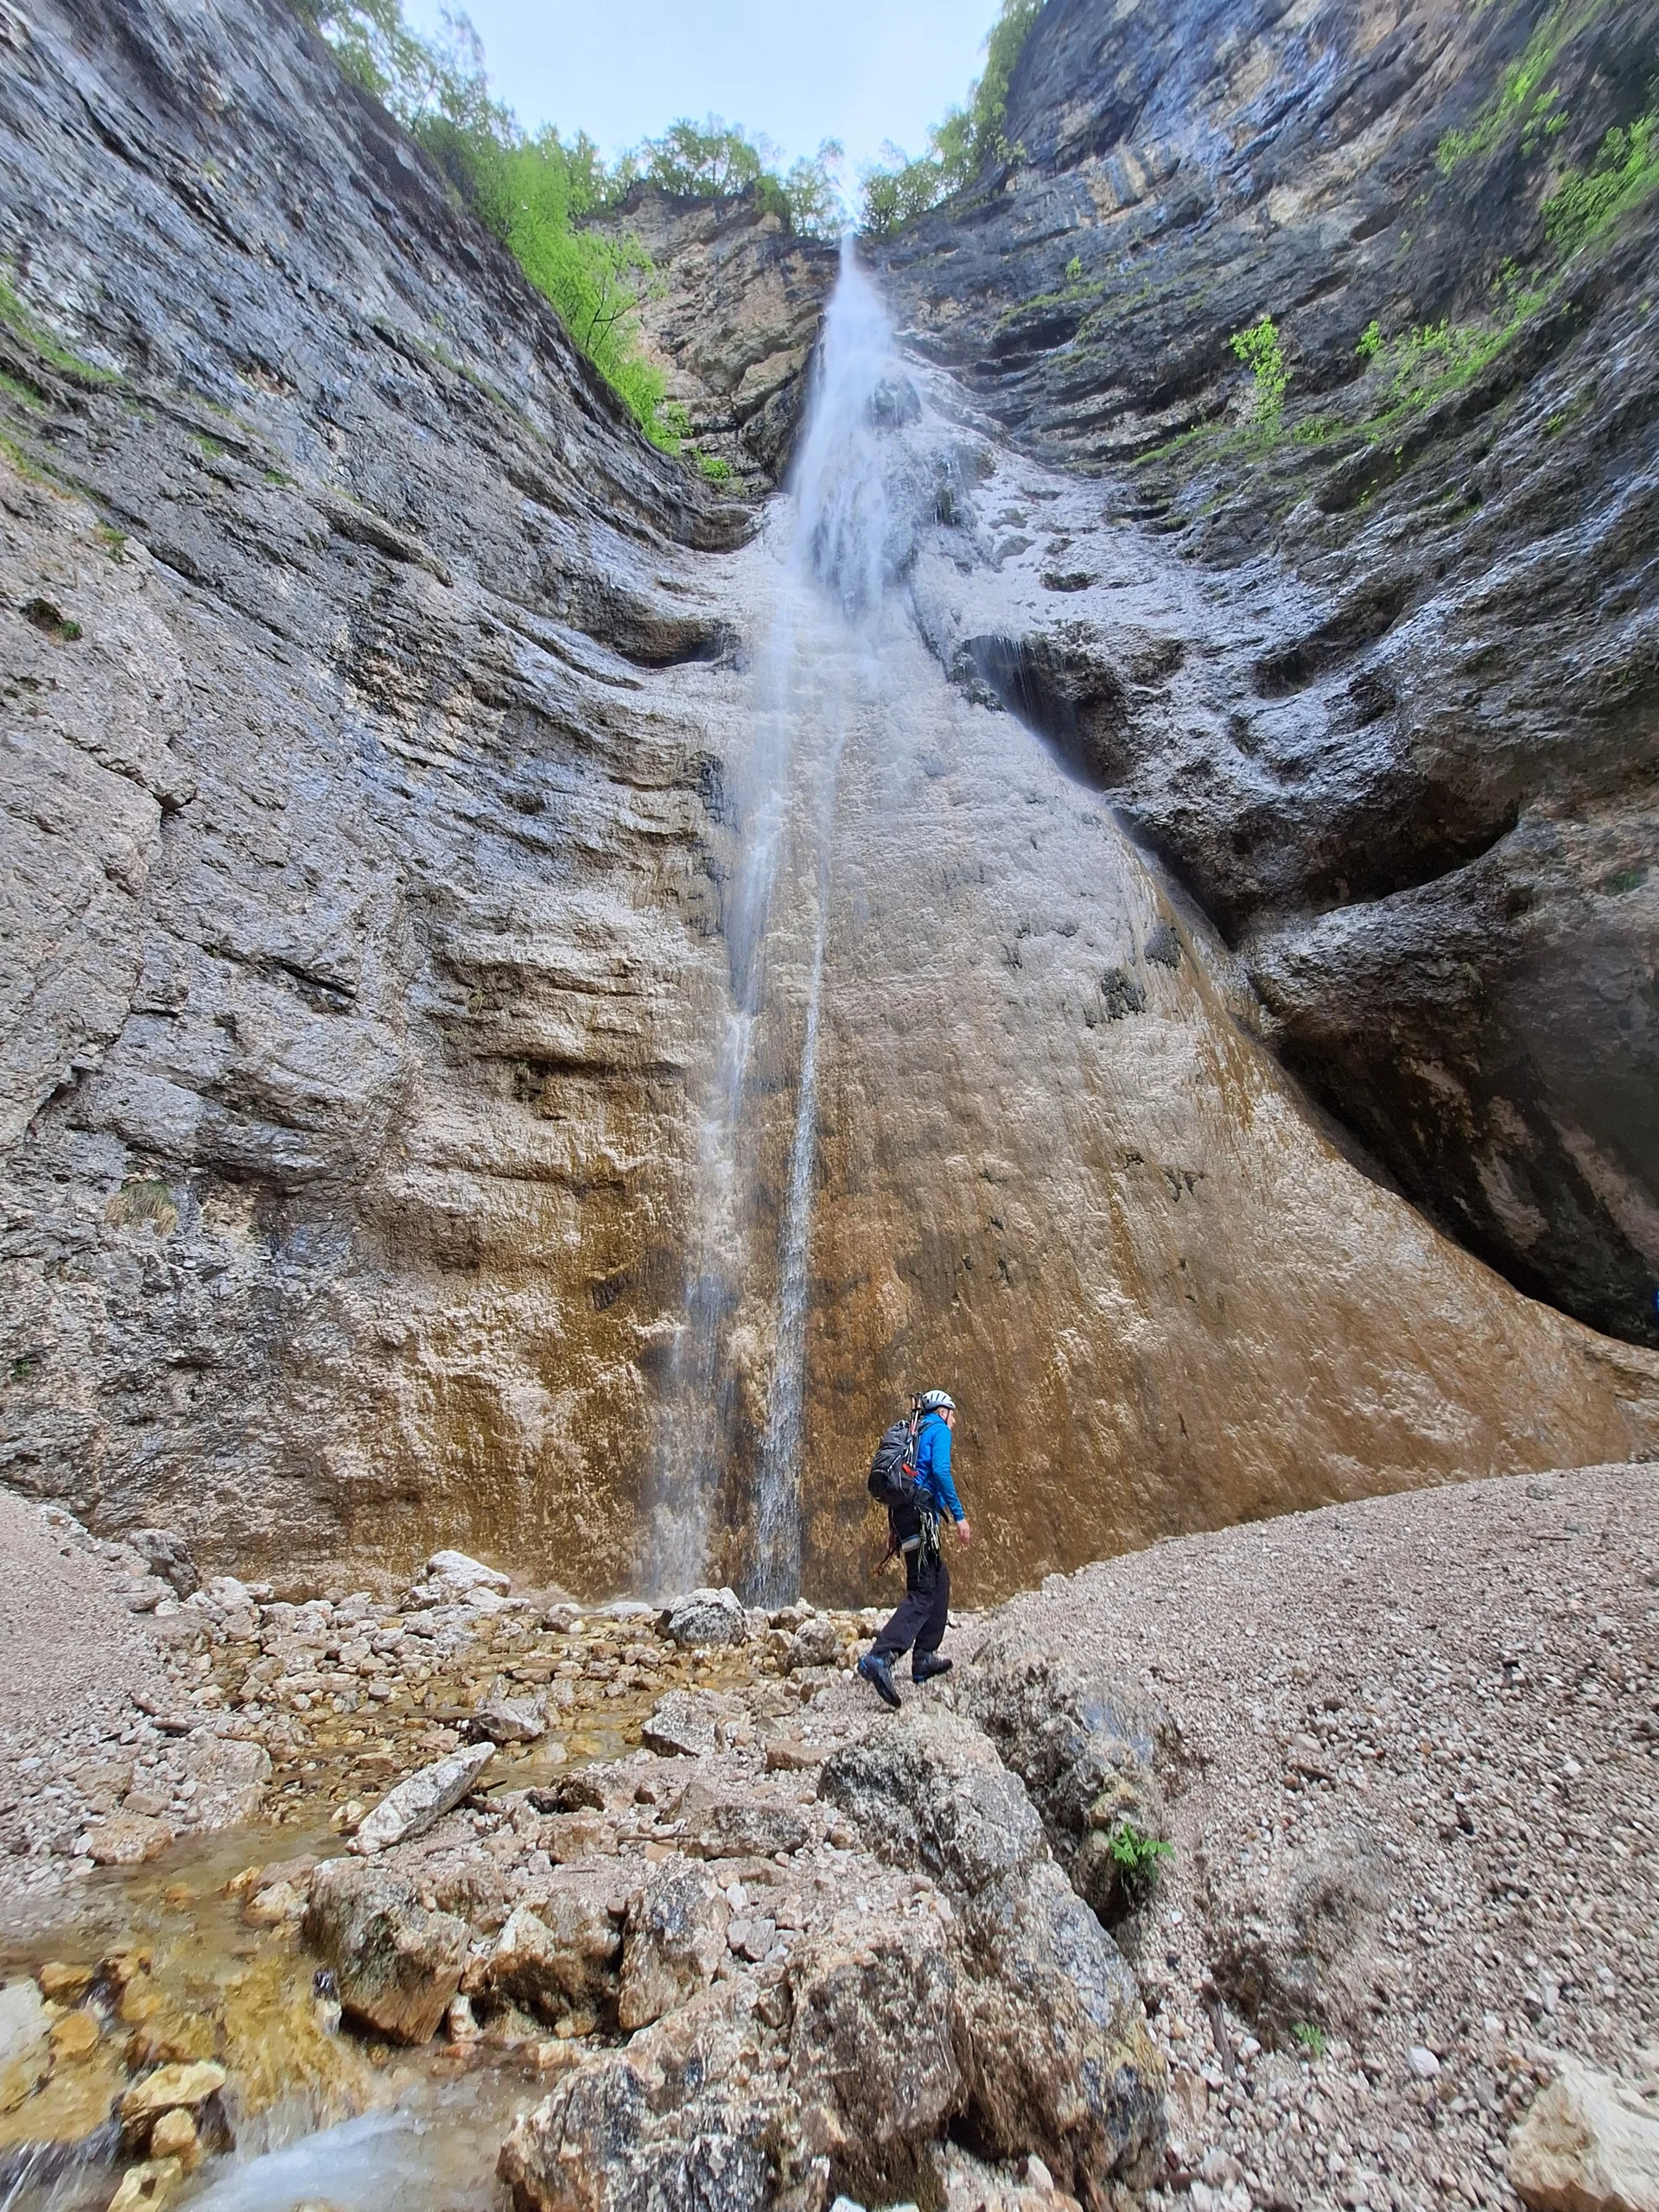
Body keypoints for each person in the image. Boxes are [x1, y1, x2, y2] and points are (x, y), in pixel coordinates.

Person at [857, 1389, 971, 1708]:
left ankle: (924, 1657)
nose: (955, 1420)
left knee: (940, 1580)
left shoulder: (913, 1433)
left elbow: (904, 1482)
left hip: (906, 1515)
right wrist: (960, 1517)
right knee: (923, 1591)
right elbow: (940, 1472)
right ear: (943, 1411)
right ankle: (880, 1657)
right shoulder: (937, 1429)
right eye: (953, 1412)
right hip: (922, 1516)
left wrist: (894, 1529)